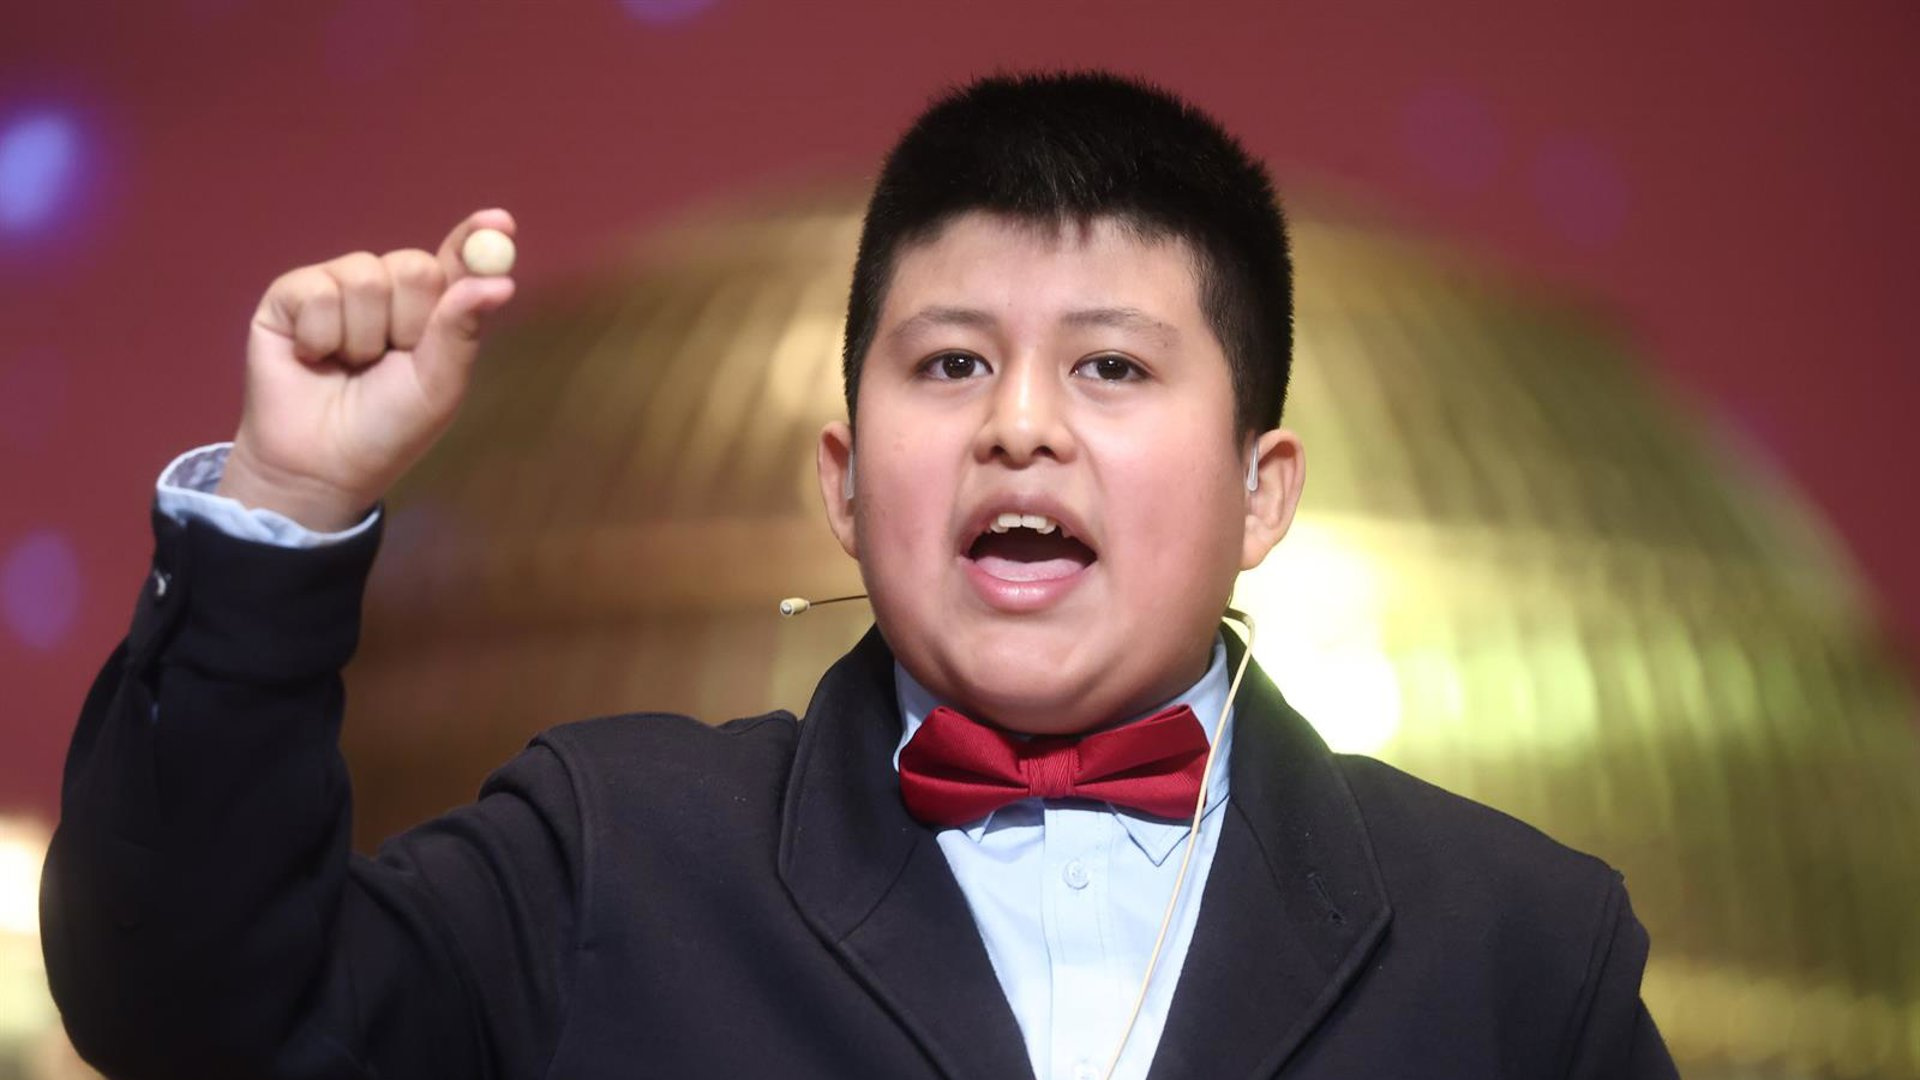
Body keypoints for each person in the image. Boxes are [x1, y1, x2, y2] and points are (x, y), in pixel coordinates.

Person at [41, 71, 1679, 1079]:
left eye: (1111, 368)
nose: (1020, 426)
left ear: (1265, 494)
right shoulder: (608, 860)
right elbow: (191, 1019)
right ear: (841, 480)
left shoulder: (1522, 948)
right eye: (951, 364)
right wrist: (288, 502)